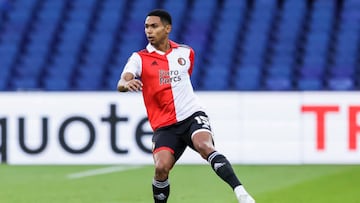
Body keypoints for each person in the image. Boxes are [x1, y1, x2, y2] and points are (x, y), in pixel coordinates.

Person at [117, 9, 255, 203]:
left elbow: (184, 79)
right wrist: (126, 84)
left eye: (154, 26)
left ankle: (241, 192)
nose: (149, 31)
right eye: (146, 27)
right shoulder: (139, 58)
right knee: (161, 168)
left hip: (191, 115)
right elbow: (123, 80)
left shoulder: (186, 52)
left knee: (204, 146)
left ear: (167, 28)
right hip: (165, 125)